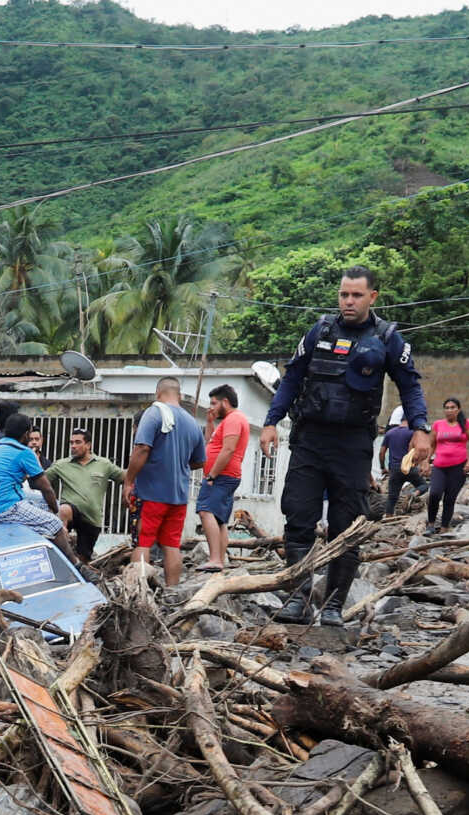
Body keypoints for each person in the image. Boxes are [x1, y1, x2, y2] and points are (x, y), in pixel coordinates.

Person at [259, 264, 431, 624]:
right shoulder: (319, 330)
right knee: (299, 517)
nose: (348, 301)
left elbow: (410, 385)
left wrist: (421, 427)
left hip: (353, 445)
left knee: (347, 524)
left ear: (372, 296)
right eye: (343, 294)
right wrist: (271, 422)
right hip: (310, 440)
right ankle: (297, 600)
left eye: (356, 295)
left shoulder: (387, 338)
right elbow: (292, 379)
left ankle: (334, 606)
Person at [123, 376, 208, 585]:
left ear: (157, 393)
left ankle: (138, 595)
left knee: (143, 543)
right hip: (178, 497)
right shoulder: (192, 422)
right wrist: (176, 462)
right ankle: (172, 593)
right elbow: (199, 462)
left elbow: (142, 448)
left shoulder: (154, 412)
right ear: (178, 395)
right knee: (171, 545)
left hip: (151, 494)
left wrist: (128, 481)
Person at [0, 410, 65, 542]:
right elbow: (46, 488)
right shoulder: (23, 451)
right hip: (2, 510)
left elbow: (11, 477)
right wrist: (57, 514)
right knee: (55, 523)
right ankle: (73, 562)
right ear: (26, 434)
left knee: (44, 503)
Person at [43, 427, 125, 562]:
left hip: (92, 519)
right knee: (64, 509)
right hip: (71, 512)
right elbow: (41, 481)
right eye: (71, 442)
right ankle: (62, 535)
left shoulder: (104, 464)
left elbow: (124, 478)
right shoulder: (61, 464)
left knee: (83, 559)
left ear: (88, 445)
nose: (73, 446)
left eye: (77, 442)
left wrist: (138, 464)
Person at [197, 384, 249, 573]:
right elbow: (210, 443)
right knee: (219, 519)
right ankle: (219, 559)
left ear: (225, 402)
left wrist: (212, 475)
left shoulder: (234, 419)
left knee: (205, 511)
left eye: (213, 403)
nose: (210, 407)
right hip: (226, 476)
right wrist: (210, 422)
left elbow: (228, 449)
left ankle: (215, 559)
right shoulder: (228, 420)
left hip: (222, 476)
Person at [426, 397, 469, 531]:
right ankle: (430, 524)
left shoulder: (466, 423)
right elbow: (432, 444)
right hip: (439, 466)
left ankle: (444, 527)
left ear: (458, 409)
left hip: (458, 467)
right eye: (447, 408)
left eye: (452, 407)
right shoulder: (438, 424)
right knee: (435, 493)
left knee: (450, 498)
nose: (449, 410)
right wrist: (426, 461)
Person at [378, 417, 417, 519]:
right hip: (409, 468)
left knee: (392, 496)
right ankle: (413, 494)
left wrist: (383, 467)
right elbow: (414, 450)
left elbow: (382, 452)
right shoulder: (412, 432)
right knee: (423, 486)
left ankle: (388, 516)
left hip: (394, 469)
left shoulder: (390, 433)